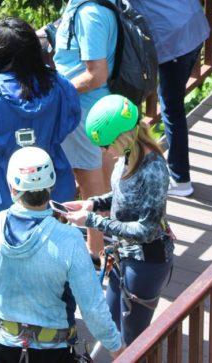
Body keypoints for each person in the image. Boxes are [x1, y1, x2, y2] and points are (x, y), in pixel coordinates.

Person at [0, 147, 123, 362]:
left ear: (12, 187)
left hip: (2, 345)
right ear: (51, 185)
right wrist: (115, 346)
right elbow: (92, 307)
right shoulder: (68, 239)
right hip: (53, 351)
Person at [97, 0, 210, 197]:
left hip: (174, 41)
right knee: (171, 102)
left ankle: (181, 180)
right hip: (194, 29)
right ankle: (167, 164)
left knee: (171, 107)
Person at [63, 95, 174, 347]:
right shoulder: (128, 154)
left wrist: (93, 221)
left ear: (121, 137)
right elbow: (124, 195)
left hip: (146, 261)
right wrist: (93, 203)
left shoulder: (154, 170)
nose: (104, 151)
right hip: (122, 253)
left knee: (133, 340)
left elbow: (146, 230)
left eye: (105, 144)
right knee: (110, 323)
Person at [0, 18, 81, 213]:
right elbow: (71, 118)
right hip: (48, 179)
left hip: (4, 187)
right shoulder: (57, 84)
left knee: (10, 237)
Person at [43, 0, 118, 258]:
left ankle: (95, 254)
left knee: (87, 181)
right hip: (98, 103)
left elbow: (95, 73)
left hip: (84, 106)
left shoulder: (89, 13)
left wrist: (57, 91)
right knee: (101, 169)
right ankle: (111, 236)